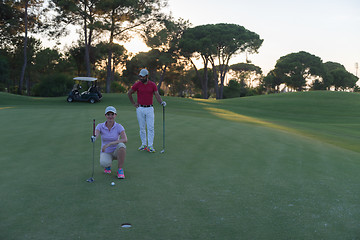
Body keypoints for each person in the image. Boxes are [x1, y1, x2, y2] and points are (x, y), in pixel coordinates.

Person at [127, 69, 166, 153]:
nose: (141, 78)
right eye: (140, 76)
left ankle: (150, 146)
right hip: (140, 108)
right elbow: (129, 93)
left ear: (147, 76)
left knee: (150, 128)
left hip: (149, 109)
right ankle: (144, 144)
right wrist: (134, 103)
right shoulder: (137, 84)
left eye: (143, 76)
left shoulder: (152, 85)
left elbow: (157, 95)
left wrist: (161, 102)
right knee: (142, 128)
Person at [91, 106, 127, 179]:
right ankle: (108, 166)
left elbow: (125, 139)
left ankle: (120, 170)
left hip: (116, 151)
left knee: (122, 146)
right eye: (108, 114)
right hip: (106, 151)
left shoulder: (119, 126)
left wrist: (110, 143)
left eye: (112, 114)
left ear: (115, 115)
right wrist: (94, 137)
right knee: (104, 163)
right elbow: (96, 134)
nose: (110, 116)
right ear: (105, 115)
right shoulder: (100, 126)